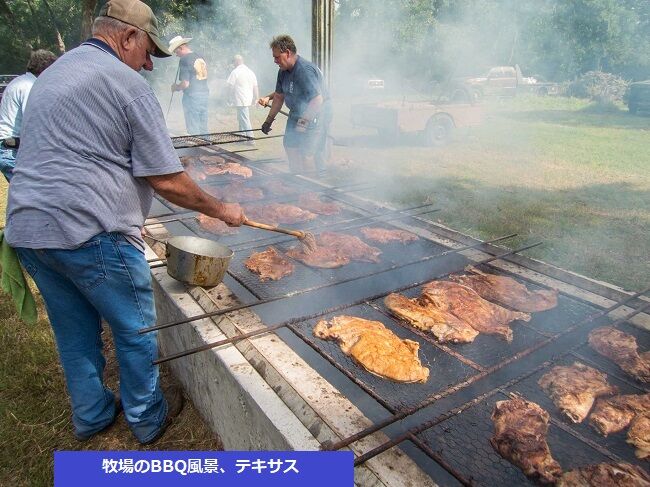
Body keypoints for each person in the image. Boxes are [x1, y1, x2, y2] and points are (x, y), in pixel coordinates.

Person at [4, 0, 245, 444]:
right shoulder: (126, 85)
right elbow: (168, 180)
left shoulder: (54, 73)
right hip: (90, 231)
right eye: (148, 50)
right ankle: (148, 419)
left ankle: (93, 415)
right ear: (126, 36)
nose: (150, 63)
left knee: (74, 330)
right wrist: (222, 209)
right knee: (137, 329)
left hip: (28, 228)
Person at [258, 34, 332, 175]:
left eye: (277, 57)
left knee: (306, 154)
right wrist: (268, 121)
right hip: (296, 113)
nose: (275, 61)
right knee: (290, 147)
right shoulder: (283, 72)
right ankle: (297, 181)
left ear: (287, 53)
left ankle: (311, 188)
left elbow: (317, 100)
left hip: (316, 114)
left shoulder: (304, 70)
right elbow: (279, 97)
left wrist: (303, 123)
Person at [0, 50, 57, 181]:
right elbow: (34, 121)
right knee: (33, 191)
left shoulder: (20, 82)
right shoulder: (30, 86)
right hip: (12, 150)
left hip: (8, 147)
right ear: (45, 70)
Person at [169, 35, 209, 135]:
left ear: (181, 48)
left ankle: (196, 150)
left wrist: (176, 87)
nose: (176, 55)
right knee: (203, 127)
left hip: (192, 97)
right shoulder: (199, 56)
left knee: (193, 129)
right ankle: (208, 149)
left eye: (176, 51)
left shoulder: (184, 60)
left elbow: (185, 84)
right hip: (204, 94)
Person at [226, 54, 259, 143]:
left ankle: (251, 139)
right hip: (248, 98)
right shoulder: (250, 71)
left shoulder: (235, 72)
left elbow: (230, 86)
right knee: (241, 118)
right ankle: (242, 137)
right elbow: (255, 86)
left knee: (244, 119)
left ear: (237, 62)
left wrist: (228, 97)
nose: (233, 64)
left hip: (241, 99)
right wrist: (257, 98)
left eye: (234, 62)